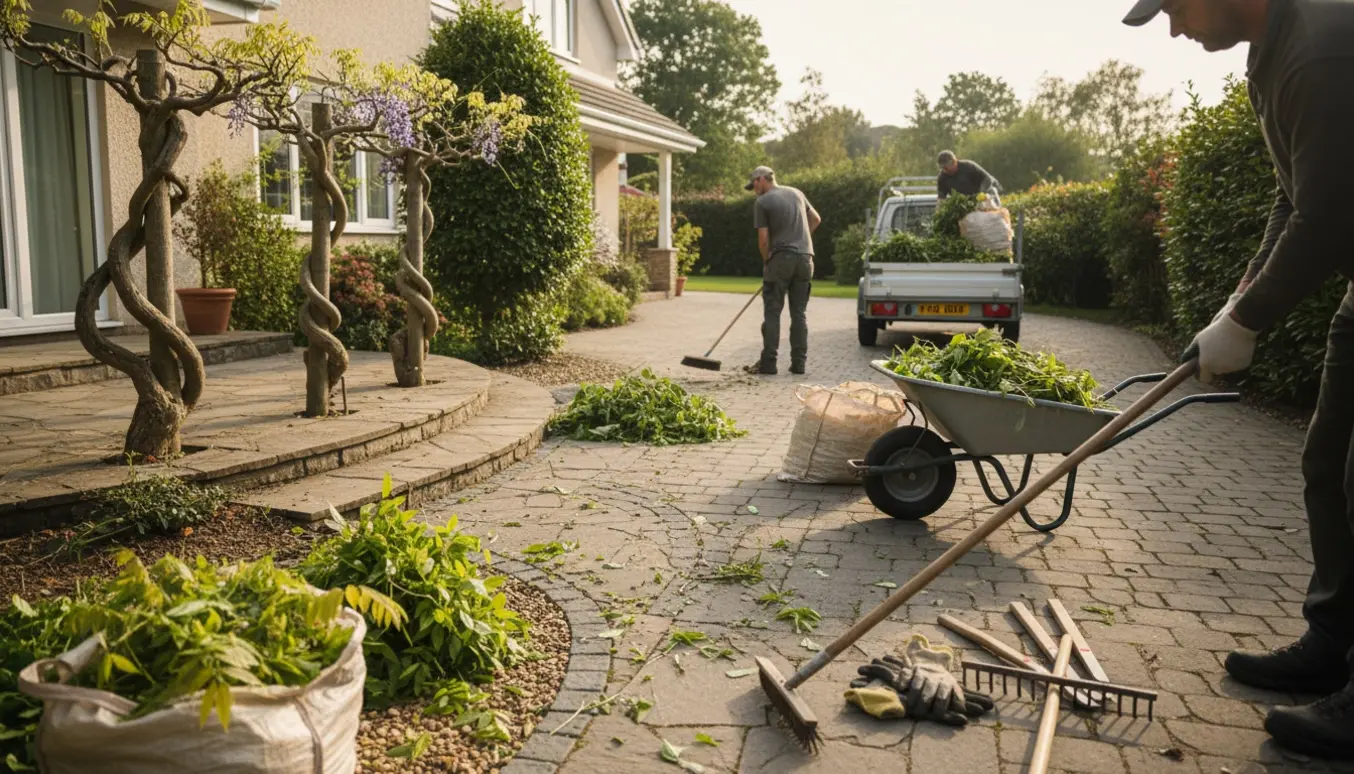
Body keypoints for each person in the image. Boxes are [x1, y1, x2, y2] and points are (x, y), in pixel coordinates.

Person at [1125, 0, 1354, 760]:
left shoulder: (1321, 50)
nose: (1175, 27)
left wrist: (1248, 322)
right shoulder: (1273, 54)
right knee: (1328, 461)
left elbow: (1326, 216)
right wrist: (1237, 305)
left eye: (1177, 5)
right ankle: (1333, 643)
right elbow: (1292, 196)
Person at [744, 165, 821, 376]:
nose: (754, 190)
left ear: (761, 179)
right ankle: (799, 365)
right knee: (799, 314)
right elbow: (816, 219)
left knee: (772, 313)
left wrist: (768, 260)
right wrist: (800, 240)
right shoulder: (797, 193)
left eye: (754, 185)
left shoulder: (763, 202)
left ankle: (769, 364)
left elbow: (763, 240)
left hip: (780, 259)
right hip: (806, 259)